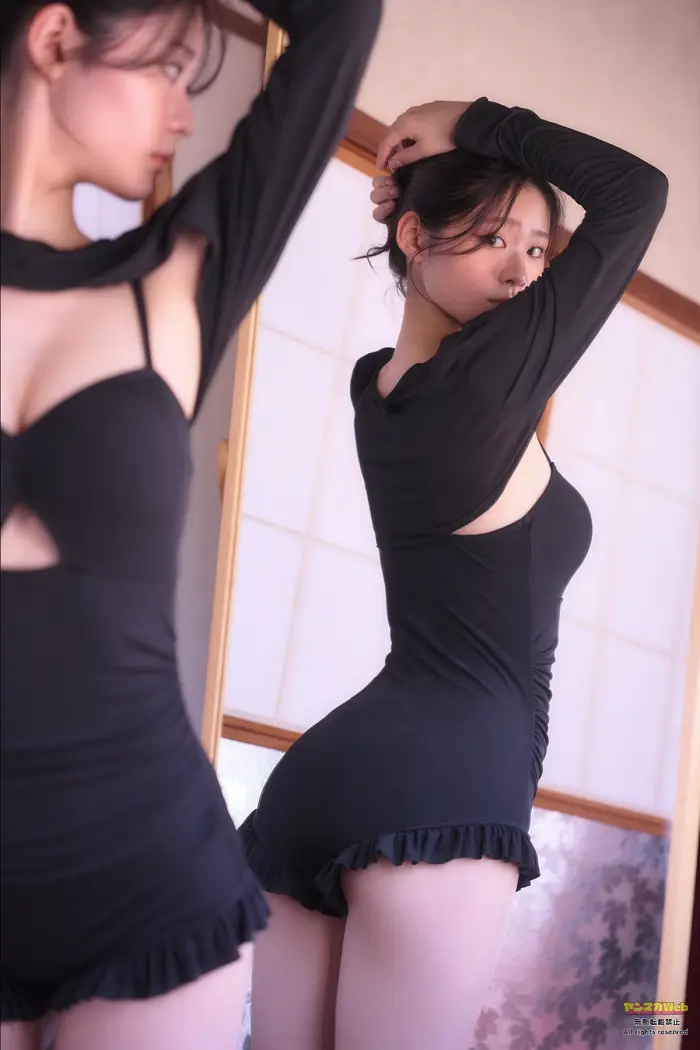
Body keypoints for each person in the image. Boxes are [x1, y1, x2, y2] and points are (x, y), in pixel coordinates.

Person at [240, 97, 668, 1049]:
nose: (522, 271)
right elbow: (638, 193)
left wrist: (454, 187)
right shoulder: (485, 381)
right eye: (491, 239)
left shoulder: (378, 386)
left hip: (323, 780)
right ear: (413, 236)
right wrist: (470, 118)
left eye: (538, 248)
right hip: (450, 785)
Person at [0, 0, 382, 1046]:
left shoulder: (178, 276)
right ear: (54, 38)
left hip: (151, 881)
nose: (183, 112)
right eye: (166, 67)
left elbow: (344, 19)